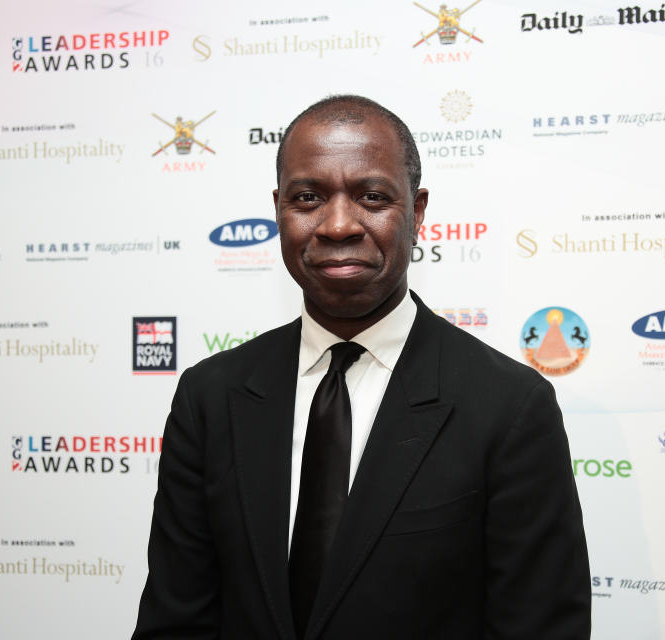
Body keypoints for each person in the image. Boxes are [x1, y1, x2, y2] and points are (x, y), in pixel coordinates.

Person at [132, 95, 590, 640]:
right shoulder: (210, 395)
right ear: (278, 208)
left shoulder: (510, 406)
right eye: (308, 198)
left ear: (417, 213)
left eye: (372, 197)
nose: (338, 225)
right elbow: (176, 620)